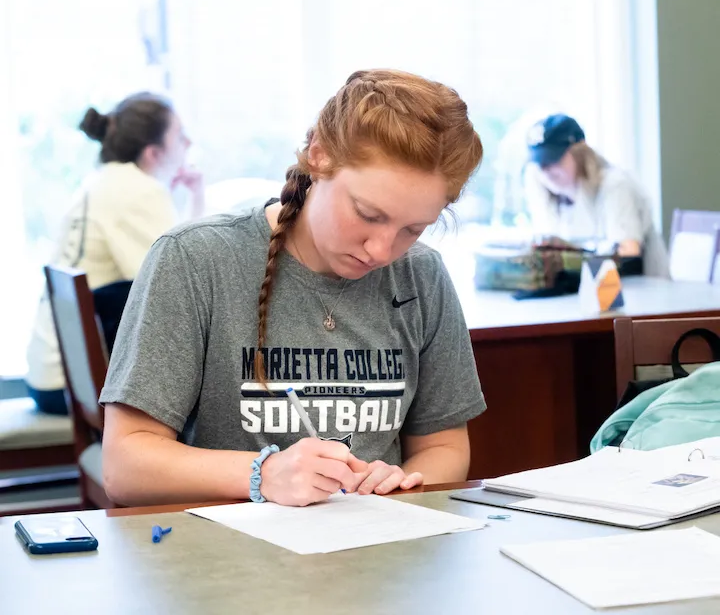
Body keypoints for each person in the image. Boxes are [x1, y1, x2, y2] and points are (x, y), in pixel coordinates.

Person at [100, 69, 486, 507]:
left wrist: (404, 483)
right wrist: (264, 474)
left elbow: (445, 448)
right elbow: (124, 465)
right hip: (229, 560)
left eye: (413, 229)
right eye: (368, 213)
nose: (381, 250)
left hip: (377, 551)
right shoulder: (194, 260)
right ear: (319, 156)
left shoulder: (423, 277)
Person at [25, 92, 204, 415]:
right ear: (152, 152)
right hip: (74, 385)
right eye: (180, 135)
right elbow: (186, 285)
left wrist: (192, 197)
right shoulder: (139, 191)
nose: (188, 142)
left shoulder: (104, 181)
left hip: (51, 373)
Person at [524, 113, 669, 277]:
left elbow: (629, 255)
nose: (545, 170)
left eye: (552, 160)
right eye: (539, 163)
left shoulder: (615, 186)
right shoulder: (553, 201)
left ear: (579, 153)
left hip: (639, 290)